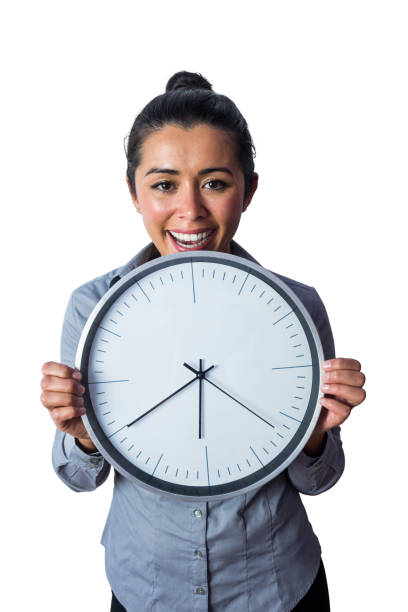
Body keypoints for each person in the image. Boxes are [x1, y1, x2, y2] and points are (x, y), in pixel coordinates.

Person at [40, 71, 366, 611]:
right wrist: (85, 435)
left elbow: (319, 480)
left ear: (249, 189)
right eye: (164, 184)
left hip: (276, 586)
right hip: (147, 587)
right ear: (133, 193)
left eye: (215, 182)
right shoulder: (93, 308)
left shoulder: (298, 308)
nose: (190, 210)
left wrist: (315, 436)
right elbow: (78, 477)